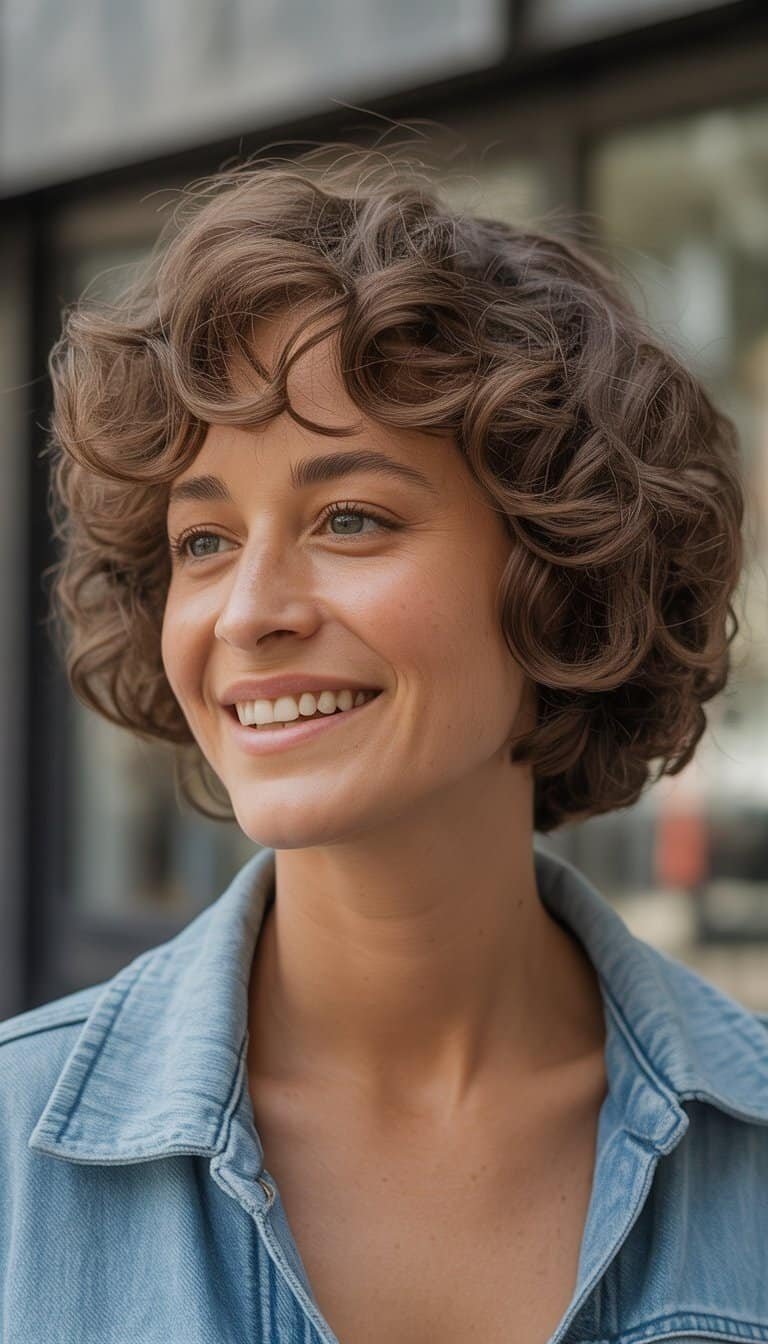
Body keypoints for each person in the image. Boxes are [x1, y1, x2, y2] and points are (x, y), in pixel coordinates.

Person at [1, 143, 766, 1344]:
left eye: (349, 517)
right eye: (203, 541)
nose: (249, 611)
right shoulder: (12, 1157)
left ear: (561, 577)